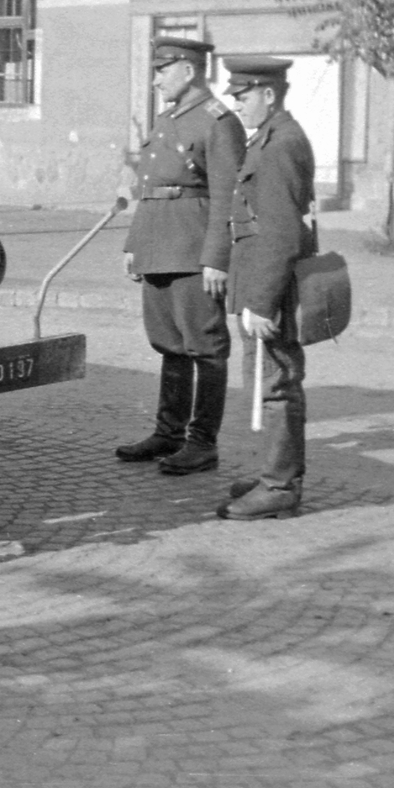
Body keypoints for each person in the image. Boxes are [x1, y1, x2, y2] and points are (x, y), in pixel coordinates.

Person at [118, 36, 246, 475]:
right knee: (169, 344)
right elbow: (150, 186)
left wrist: (217, 256)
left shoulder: (218, 121)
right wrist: (135, 243)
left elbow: (229, 195)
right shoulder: (167, 118)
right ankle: (168, 432)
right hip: (158, 243)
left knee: (205, 347)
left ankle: (202, 442)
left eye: (161, 70)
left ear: (188, 70)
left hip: (194, 250)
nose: (155, 81)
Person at [217, 56, 316, 520]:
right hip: (259, 283)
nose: (236, 104)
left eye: (242, 95)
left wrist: (260, 302)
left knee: (276, 387)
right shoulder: (271, 139)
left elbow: (282, 234)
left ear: (269, 94)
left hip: (270, 291)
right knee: (269, 386)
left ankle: (279, 487)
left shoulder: (280, 146)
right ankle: (273, 474)